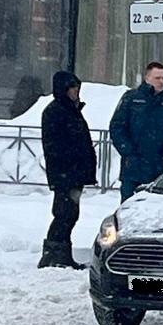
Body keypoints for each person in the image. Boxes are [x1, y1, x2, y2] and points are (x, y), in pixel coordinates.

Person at [38, 71, 97, 269]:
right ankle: (53, 254)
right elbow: (55, 145)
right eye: (72, 88)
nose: (76, 92)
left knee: (70, 213)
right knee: (64, 213)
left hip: (73, 173)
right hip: (65, 173)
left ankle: (61, 254)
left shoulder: (71, 110)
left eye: (77, 88)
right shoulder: (56, 111)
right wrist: (71, 164)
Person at [110, 62, 163, 202]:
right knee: (128, 209)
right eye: (157, 78)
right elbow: (117, 127)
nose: (161, 82)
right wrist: (128, 152)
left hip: (162, 169)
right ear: (147, 78)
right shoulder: (131, 98)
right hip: (134, 168)